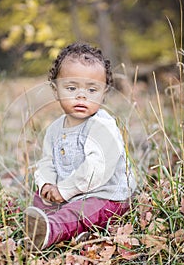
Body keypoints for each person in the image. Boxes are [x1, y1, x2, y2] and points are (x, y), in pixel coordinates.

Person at [24, 42, 136, 250]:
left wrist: (65, 190)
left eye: (92, 90)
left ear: (103, 93)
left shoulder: (102, 126)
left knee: (84, 209)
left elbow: (96, 170)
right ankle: (38, 225)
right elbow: (47, 162)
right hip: (70, 192)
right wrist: (47, 184)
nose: (81, 96)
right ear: (56, 90)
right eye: (71, 88)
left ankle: (52, 230)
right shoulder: (54, 130)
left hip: (107, 195)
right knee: (41, 197)